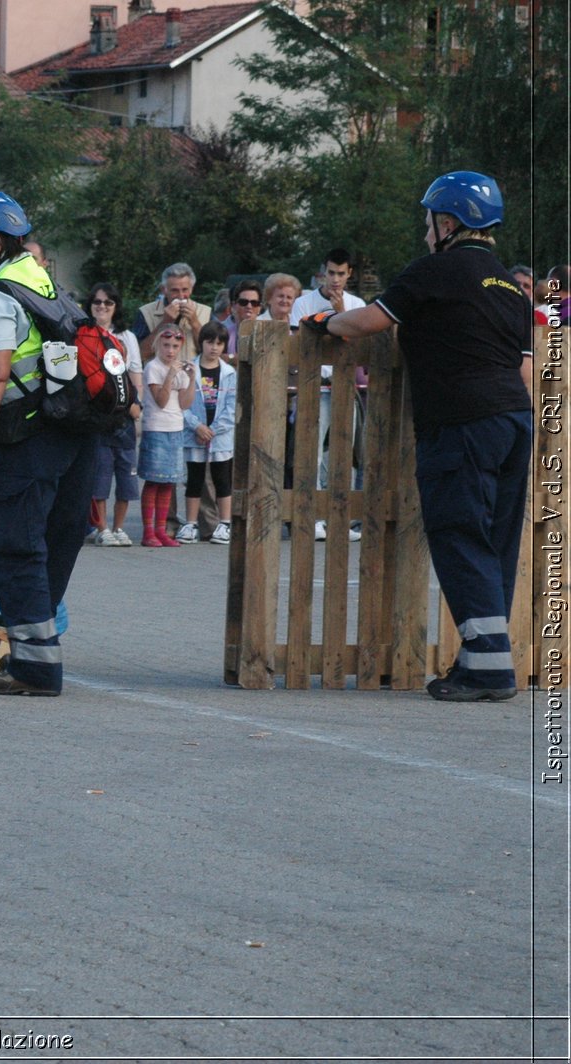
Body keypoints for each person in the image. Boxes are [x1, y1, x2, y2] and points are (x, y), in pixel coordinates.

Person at [304, 171, 532, 701]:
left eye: (430, 220)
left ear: (448, 222)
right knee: (493, 541)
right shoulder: (509, 288)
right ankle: (481, 660)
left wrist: (325, 324)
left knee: (458, 534)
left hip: (463, 423)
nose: (426, 231)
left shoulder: (437, 270)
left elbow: (368, 323)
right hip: (513, 422)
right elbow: (523, 370)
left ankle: (491, 673)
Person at [0, 191, 96, 696]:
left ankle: (35, 669)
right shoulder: (44, 281)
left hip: (28, 439)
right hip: (74, 437)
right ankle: (36, 652)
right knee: (54, 541)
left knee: (14, 548)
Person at [291, 248, 368, 539]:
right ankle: (313, 517)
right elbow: (299, 342)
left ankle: (340, 517)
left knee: (344, 452)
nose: (335, 280)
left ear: (349, 274)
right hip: (315, 386)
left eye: (341, 273)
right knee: (310, 451)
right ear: (322, 272)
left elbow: (356, 346)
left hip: (345, 388)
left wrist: (342, 317)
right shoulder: (304, 302)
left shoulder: (356, 303)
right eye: (331, 272)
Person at [82, 282, 143, 547]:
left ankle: (118, 527)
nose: (102, 307)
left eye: (108, 303)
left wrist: (133, 404)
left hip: (123, 412)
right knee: (100, 474)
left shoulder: (127, 336)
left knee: (126, 475)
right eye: (97, 302)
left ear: (116, 307)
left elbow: (134, 377)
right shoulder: (84, 333)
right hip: (97, 413)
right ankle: (101, 528)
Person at [179, 321, 237, 545]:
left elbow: (232, 407)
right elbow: (182, 403)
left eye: (219, 343)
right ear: (201, 342)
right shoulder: (189, 369)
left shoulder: (229, 373)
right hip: (194, 433)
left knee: (222, 479)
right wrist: (197, 426)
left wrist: (213, 430)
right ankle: (191, 524)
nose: (214, 347)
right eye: (210, 342)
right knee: (194, 479)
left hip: (220, 436)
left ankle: (225, 524)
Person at [139, 325, 196, 547]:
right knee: (154, 480)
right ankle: (148, 531)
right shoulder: (153, 368)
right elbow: (161, 401)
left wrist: (191, 379)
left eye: (174, 346)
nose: (170, 351)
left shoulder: (180, 370)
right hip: (156, 428)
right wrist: (171, 374)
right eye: (165, 345)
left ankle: (162, 530)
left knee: (168, 482)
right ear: (157, 346)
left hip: (175, 428)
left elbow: (185, 403)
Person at [131, 263, 210, 347]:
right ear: (163, 290)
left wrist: (195, 323)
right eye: (174, 290)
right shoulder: (145, 313)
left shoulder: (206, 312)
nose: (181, 296)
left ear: (191, 289)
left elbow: (210, 353)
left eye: (185, 289)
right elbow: (140, 354)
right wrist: (165, 323)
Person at [221, 279, 264, 357]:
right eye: (243, 302)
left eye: (254, 303)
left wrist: (230, 358)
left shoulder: (267, 334)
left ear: (259, 308)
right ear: (233, 306)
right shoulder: (223, 333)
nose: (249, 306)